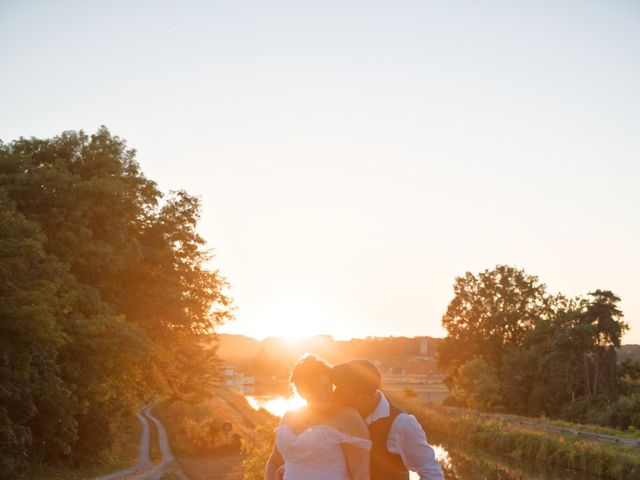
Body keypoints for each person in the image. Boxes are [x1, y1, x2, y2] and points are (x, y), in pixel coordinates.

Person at [331, 360, 444, 480]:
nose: (335, 394)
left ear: (363, 397)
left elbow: (432, 474)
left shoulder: (402, 424)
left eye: (342, 390)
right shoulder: (339, 416)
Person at [265, 355, 372, 480]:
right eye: (318, 388)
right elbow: (274, 462)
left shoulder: (348, 418)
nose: (327, 392)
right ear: (301, 391)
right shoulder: (290, 416)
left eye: (328, 386)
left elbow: (360, 474)